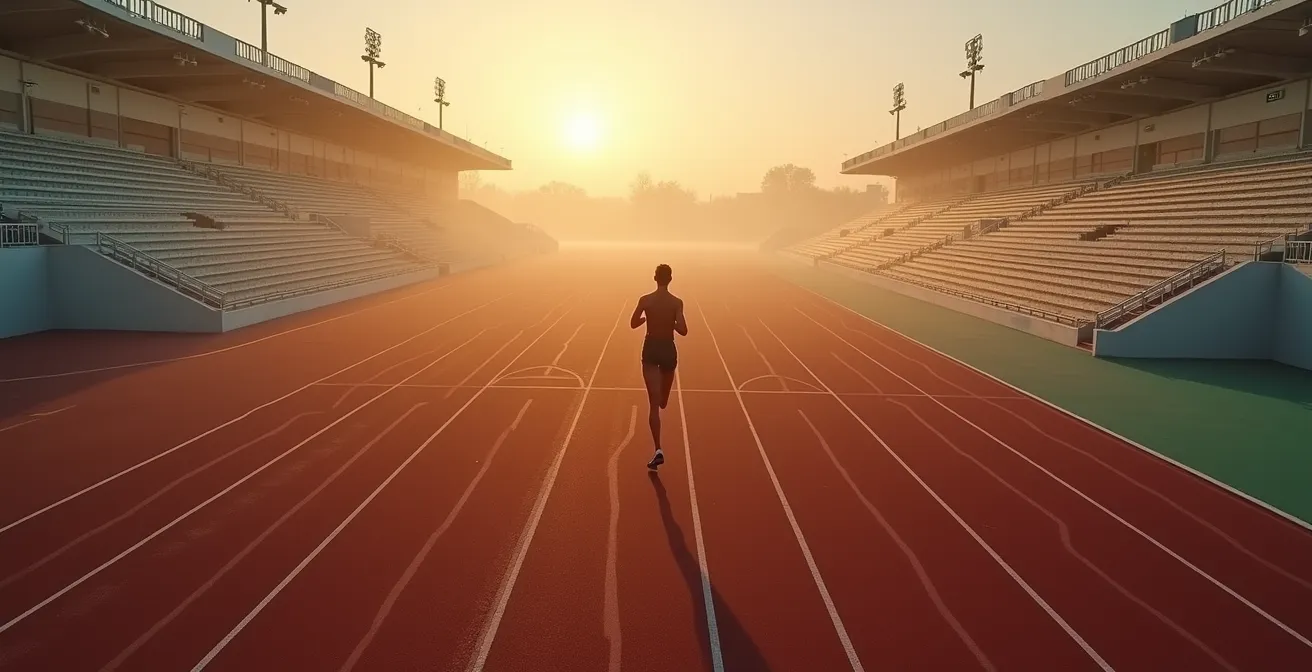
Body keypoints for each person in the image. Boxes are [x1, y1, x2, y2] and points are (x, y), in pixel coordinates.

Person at [630, 264, 687, 470]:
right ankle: (658, 450)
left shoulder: (645, 300)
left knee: (655, 404)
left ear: (655, 278)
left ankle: (658, 448)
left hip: (652, 348)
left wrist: (647, 317)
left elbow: (633, 323)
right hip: (668, 350)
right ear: (670, 279)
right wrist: (670, 321)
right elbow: (683, 330)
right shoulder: (676, 303)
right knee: (663, 402)